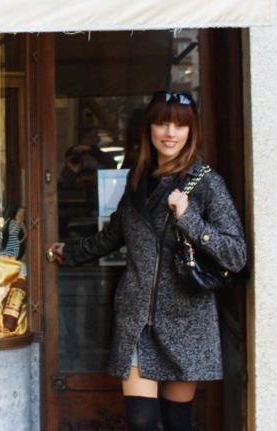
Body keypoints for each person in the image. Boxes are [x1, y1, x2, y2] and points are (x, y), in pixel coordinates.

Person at [48, 91, 247, 431]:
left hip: (186, 320)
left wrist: (189, 218)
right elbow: (114, 235)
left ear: (191, 131)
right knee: (140, 420)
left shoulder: (207, 184)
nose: (170, 133)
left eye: (179, 126)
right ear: (149, 129)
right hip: (137, 317)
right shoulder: (138, 179)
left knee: (177, 420)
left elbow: (236, 254)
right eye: (162, 123)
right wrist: (68, 251)